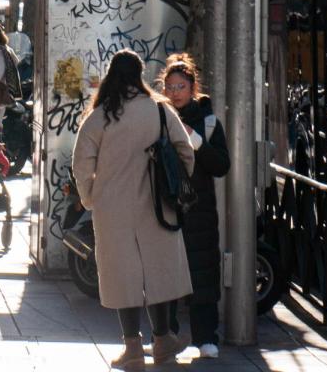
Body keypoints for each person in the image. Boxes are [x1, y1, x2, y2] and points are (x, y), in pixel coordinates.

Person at [71, 49, 194, 371]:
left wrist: (89, 197)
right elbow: (185, 152)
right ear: (140, 75)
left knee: (121, 276)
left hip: (113, 208)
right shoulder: (160, 110)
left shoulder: (98, 117)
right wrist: (176, 184)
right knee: (160, 271)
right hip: (158, 205)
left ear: (111, 75)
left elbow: (81, 164)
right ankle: (164, 338)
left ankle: (133, 348)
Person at [159, 54, 231, 359]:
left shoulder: (209, 121)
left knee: (203, 274)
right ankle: (168, 336)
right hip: (166, 205)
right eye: (170, 86)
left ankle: (206, 337)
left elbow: (221, 165)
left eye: (181, 86)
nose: (175, 92)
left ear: (192, 88)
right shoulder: (158, 117)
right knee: (167, 276)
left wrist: (196, 140)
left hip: (199, 208)